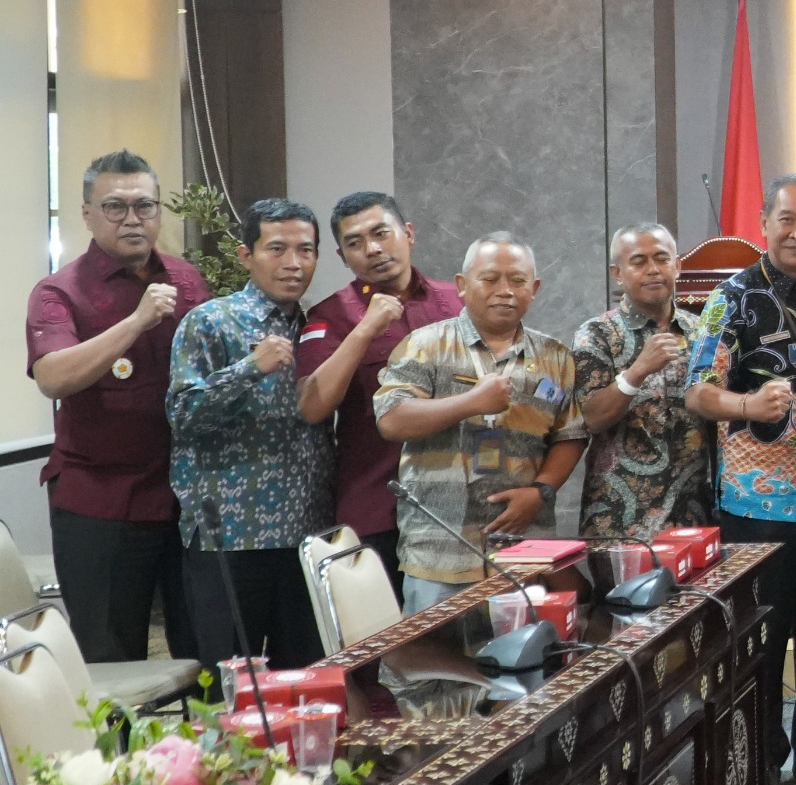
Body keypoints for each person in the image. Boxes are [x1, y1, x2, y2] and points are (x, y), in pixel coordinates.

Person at [685, 175, 796, 785]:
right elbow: (697, 391)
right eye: (787, 219)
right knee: (761, 638)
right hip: (760, 502)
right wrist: (745, 405)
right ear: (765, 223)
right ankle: (758, 758)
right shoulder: (730, 299)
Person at [26, 150, 206, 663]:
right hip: (102, 504)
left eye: (144, 206)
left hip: (184, 500)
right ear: (87, 213)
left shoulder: (187, 280)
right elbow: (52, 378)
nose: (132, 219)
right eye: (115, 207)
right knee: (112, 662)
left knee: (203, 651)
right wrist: (136, 321)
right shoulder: (59, 291)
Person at [374, 234, 587, 611]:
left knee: (525, 646)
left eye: (518, 281)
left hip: (524, 549)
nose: (505, 291)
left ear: (534, 289)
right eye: (490, 279)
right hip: (441, 552)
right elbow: (391, 419)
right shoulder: (425, 346)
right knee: (436, 649)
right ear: (461, 285)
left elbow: (570, 435)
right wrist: (470, 402)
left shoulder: (555, 357)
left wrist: (541, 491)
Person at [166, 198, 332, 667]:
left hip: (307, 534)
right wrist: (249, 368)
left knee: (305, 680)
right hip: (231, 537)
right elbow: (182, 414)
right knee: (231, 682)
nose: (293, 263)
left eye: (305, 250)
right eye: (277, 249)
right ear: (246, 255)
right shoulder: (210, 321)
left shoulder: (319, 327)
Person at [295, 192, 463, 570]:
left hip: (459, 505)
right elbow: (311, 406)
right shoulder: (330, 315)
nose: (372, 249)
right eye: (355, 243)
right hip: (378, 508)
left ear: (408, 233)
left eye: (381, 234)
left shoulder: (458, 301)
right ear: (342, 256)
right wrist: (364, 330)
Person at [571, 223, 713, 542]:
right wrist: (636, 372)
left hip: (693, 512)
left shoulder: (703, 332)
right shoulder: (597, 334)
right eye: (638, 261)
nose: (653, 270)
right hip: (619, 518)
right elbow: (591, 418)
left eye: (662, 259)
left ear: (677, 266)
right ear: (617, 274)